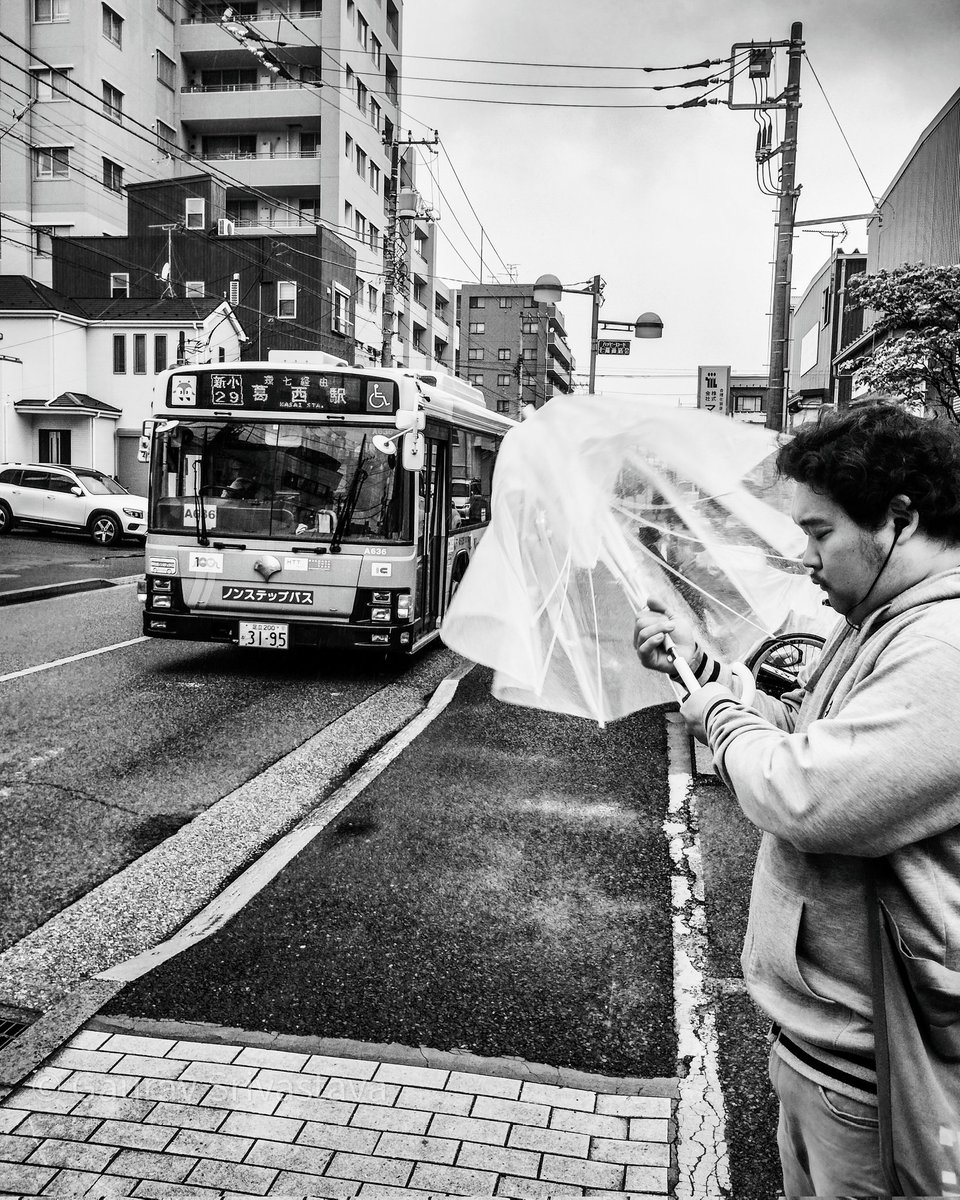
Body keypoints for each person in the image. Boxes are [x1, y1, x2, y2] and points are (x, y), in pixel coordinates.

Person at [633, 405, 960, 1195]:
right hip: (832, 1043)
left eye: (818, 533)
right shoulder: (880, 620)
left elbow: (805, 792)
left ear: (898, 520)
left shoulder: (943, 647)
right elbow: (805, 734)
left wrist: (712, 712)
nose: (804, 558)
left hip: (878, 1061)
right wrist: (703, 676)